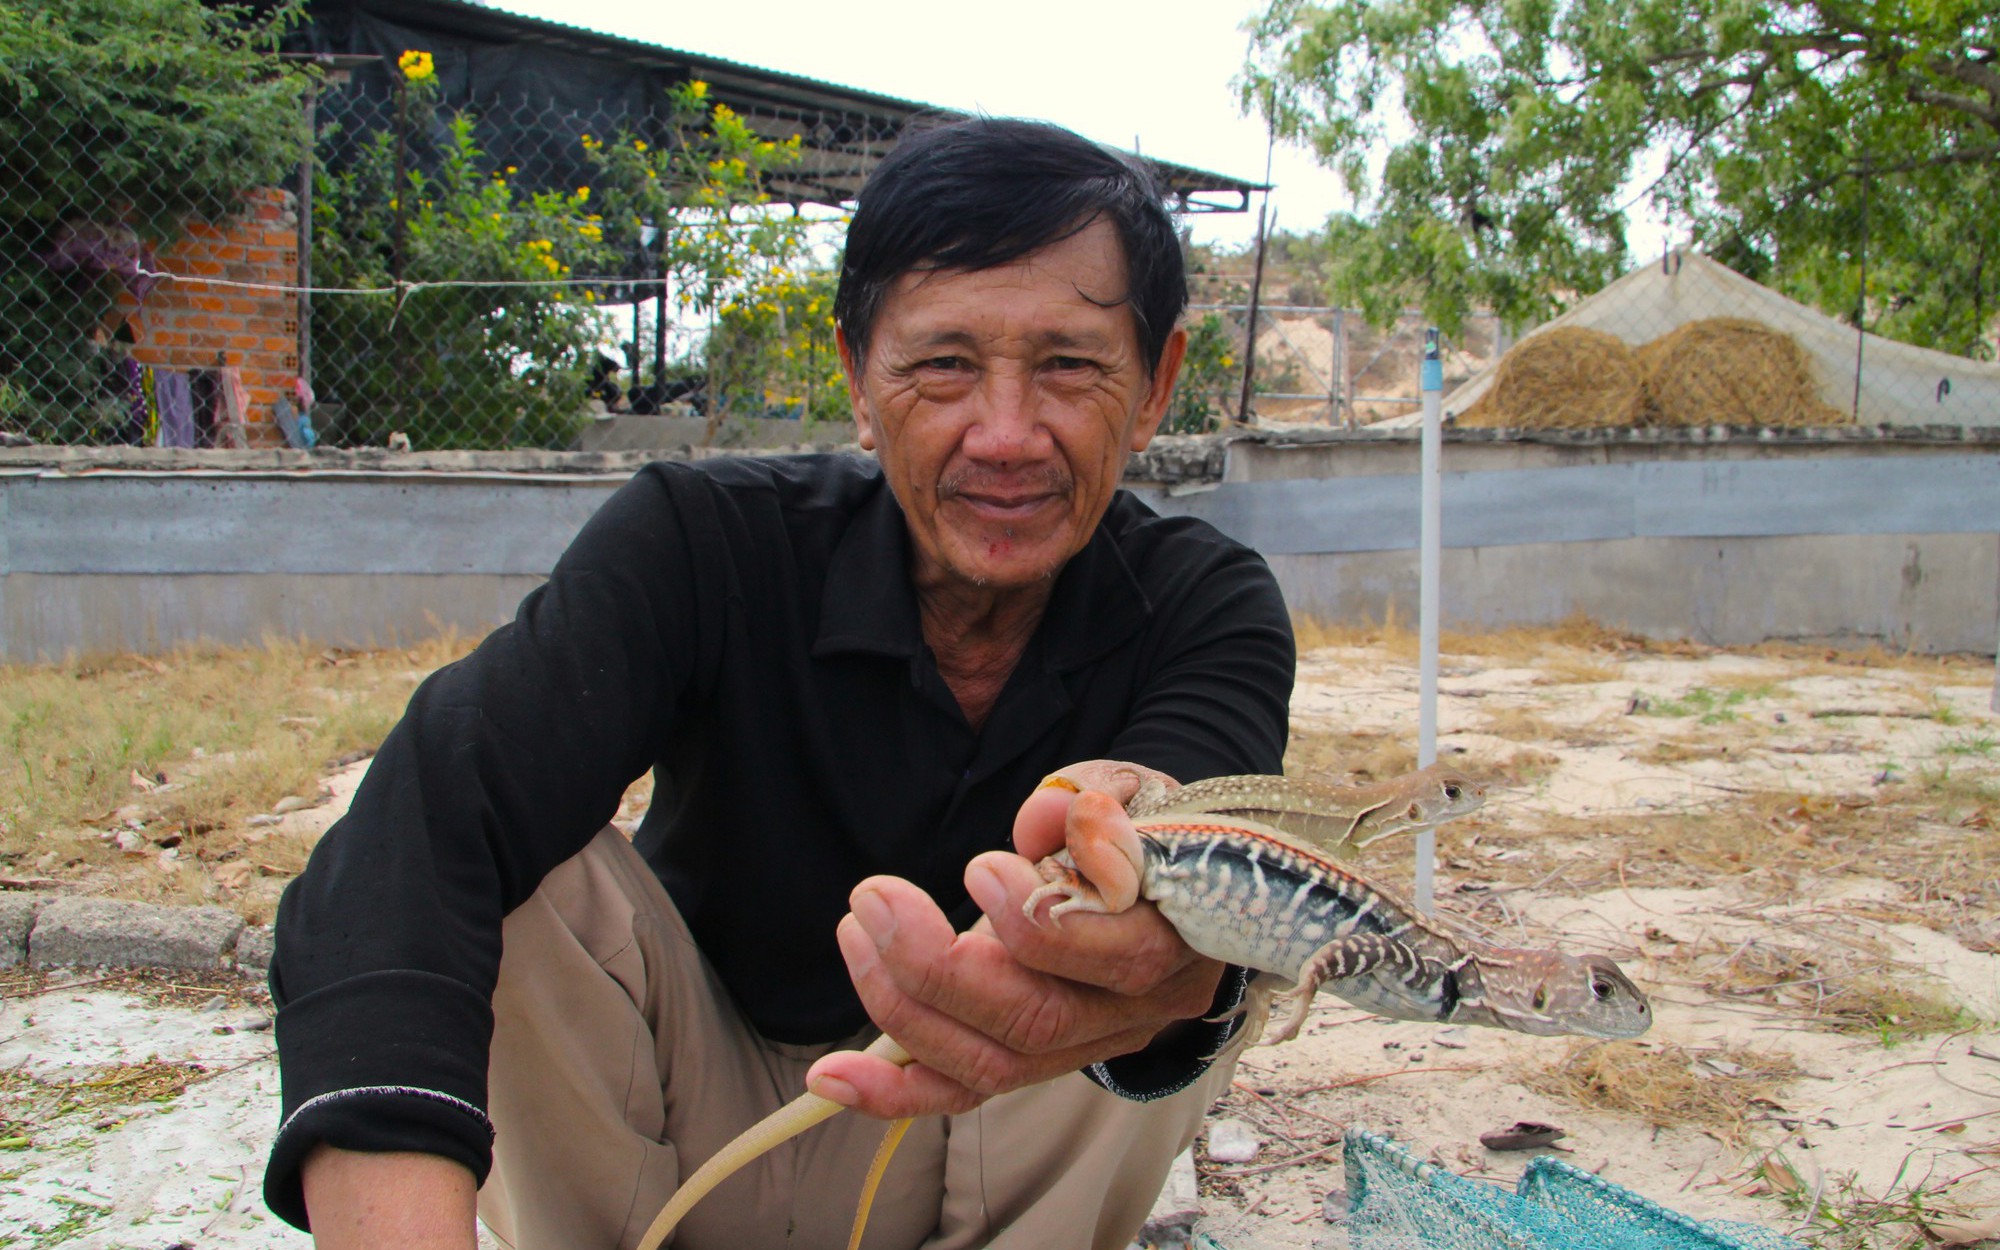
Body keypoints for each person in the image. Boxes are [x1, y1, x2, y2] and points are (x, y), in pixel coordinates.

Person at [264, 117, 1295, 1250]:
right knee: (499, 848)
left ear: (1155, 385)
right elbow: (420, 820)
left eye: (1068, 365)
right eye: (944, 363)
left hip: (987, 1122)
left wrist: (1141, 870)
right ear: (858, 376)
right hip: (681, 1146)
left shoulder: (1207, 603)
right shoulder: (699, 543)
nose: (1005, 435)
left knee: (1192, 886)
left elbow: (1191, 834)